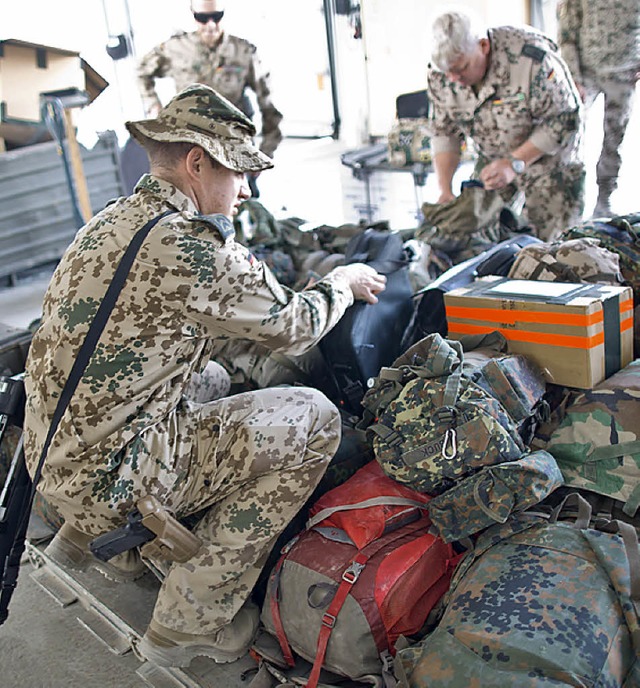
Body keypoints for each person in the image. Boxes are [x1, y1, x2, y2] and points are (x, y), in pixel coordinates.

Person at [22, 84, 386, 668]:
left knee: (212, 377)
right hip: (110, 476)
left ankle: (93, 543)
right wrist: (342, 281)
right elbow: (294, 325)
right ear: (197, 162)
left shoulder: (113, 220)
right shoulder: (193, 247)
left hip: (51, 458)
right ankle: (190, 622)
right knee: (313, 418)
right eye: (239, 172)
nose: (246, 189)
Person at [426, 10, 585, 241]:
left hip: (550, 163)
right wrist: (445, 190)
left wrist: (515, 162)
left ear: (483, 46)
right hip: (493, 158)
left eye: (461, 69)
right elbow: (444, 132)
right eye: (447, 72)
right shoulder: (442, 72)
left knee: (553, 249)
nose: (453, 79)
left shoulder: (530, 59)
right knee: (481, 235)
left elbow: (565, 120)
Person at [136, 0, 283, 195]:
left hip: (233, 148)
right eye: (203, 18)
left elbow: (269, 106)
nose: (211, 25)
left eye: (217, 17)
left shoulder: (243, 51)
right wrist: (154, 105)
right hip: (191, 146)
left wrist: (264, 153)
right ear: (193, 15)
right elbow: (141, 72)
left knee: (238, 208)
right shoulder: (176, 49)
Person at [557, 0, 640, 216]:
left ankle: (605, 200)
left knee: (614, 139)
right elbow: (567, 29)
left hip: (624, 73)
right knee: (567, 137)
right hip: (586, 74)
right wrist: (573, 76)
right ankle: (567, 203)